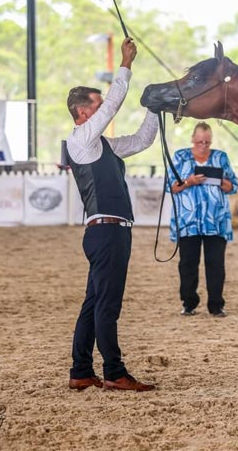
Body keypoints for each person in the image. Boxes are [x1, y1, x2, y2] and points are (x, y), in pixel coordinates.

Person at [65, 37, 158, 392]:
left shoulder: (99, 145)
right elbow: (115, 104)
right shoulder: (82, 139)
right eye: (97, 105)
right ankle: (115, 372)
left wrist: (154, 107)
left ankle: (80, 370)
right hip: (107, 232)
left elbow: (141, 141)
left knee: (94, 302)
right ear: (84, 112)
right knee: (107, 303)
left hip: (107, 232)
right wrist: (125, 63)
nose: (104, 109)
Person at [168, 121, 238, 317]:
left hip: (216, 222)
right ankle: (189, 302)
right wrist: (188, 181)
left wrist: (222, 182)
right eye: (200, 142)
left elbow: (234, 186)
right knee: (188, 263)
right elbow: (170, 187)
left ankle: (216, 305)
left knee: (215, 263)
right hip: (188, 221)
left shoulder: (220, 157)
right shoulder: (180, 157)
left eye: (207, 142)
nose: (203, 146)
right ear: (193, 139)